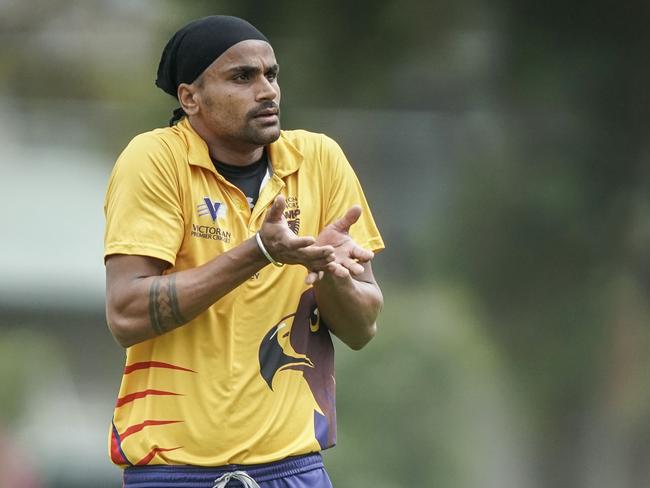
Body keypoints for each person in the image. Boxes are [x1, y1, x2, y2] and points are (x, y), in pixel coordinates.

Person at [104, 15, 384, 488]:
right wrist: (259, 251)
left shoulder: (319, 160)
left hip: (294, 469)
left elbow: (362, 328)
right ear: (189, 97)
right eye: (242, 77)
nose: (267, 90)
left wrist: (333, 275)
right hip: (173, 473)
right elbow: (126, 314)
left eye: (271, 75)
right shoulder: (154, 160)